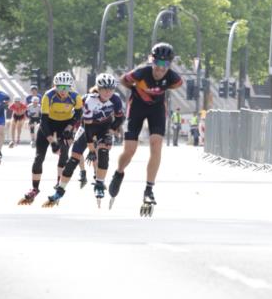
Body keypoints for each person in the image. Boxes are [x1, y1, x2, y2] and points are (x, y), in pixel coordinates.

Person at [108, 42, 183, 210]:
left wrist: (156, 92)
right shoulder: (141, 72)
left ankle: (149, 188)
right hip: (137, 108)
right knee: (130, 150)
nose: (161, 68)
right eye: (158, 63)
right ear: (152, 60)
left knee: (156, 145)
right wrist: (136, 90)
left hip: (156, 109)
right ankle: (119, 172)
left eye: (165, 64)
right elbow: (123, 80)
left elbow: (176, 85)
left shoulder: (173, 78)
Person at [44, 73, 125, 206]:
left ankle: (99, 184)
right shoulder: (89, 100)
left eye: (111, 89)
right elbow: (88, 130)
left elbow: (120, 118)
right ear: (98, 88)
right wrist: (91, 149)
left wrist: (110, 131)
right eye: (105, 89)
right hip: (87, 128)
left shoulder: (115, 99)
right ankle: (60, 190)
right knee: (73, 159)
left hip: (104, 128)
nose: (108, 92)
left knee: (104, 153)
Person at [17, 71, 82, 205]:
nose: (63, 91)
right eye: (60, 87)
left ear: (71, 87)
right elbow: (44, 122)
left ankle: (59, 185)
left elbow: (78, 114)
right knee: (39, 157)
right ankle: (35, 189)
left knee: (64, 154)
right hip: (49, 124)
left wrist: (70, 128)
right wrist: (52, 141)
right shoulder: (48, 96)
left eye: (66, 88)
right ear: (54, 86)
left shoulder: (76, 97)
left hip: (65, 124)